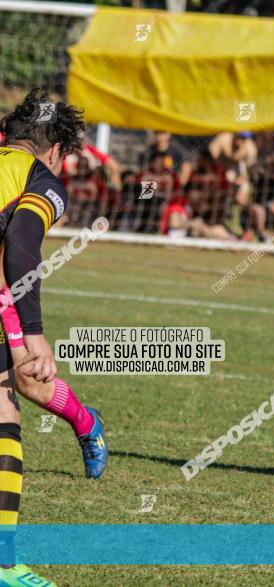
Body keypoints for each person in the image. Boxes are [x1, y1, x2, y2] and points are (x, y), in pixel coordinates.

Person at [0, 87, 111, 586]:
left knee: (20, 382)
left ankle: (86, 424)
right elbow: (21, 244)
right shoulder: (40, 178)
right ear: (54, 150)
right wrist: (36, 334)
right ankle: (4, 566)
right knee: (14, 396)